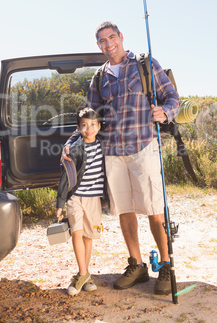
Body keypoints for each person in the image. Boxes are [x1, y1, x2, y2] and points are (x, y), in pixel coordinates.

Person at [61, 21, 180, 295]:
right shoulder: (98, 79)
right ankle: (136, 265)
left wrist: (166, 112)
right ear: (98, 45)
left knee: (154, 208)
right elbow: (88, 119)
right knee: (124, 210)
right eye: (102, 40)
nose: (108, 43)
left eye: (111, 37)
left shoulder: (144, 64)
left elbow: (171, 95)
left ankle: (164, 265)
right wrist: (70, 143)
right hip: (112, 153)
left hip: (144, 146)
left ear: (121, 37)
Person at [56, 107, 108, 296]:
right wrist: (60, 203)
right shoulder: (75, 149)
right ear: (78, 128)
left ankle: (84, 275)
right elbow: (66, 176)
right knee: (77, 234)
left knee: (88, 236)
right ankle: (83, 274)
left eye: (93, 125)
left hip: (93, 200)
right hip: (75, 198)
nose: (89, 129)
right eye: (84, 125)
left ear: (99, 126)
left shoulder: (103, 146)